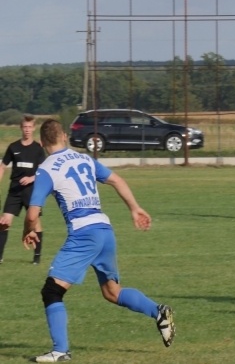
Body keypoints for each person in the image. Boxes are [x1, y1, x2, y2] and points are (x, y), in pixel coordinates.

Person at [22, 119, 175, 362]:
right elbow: (116, 180)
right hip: (105, 230)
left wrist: (28, 230)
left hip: (84, 234)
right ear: (63, 136)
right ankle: (158, 312)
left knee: (51, 291)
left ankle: (60, 351)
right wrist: (134, 209)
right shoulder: (84, 159)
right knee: (112, 292)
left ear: (41, 143)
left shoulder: (47, 168)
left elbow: (32, 213)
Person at [0, 115, 47, 265]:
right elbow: (2, 166)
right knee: (4, 222)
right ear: (21, 128)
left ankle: (37, 257)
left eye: (29, 127)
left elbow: (43, 171)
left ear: (34, 128)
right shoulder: (13, 147)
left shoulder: (38, 149)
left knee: (35, 222)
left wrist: (31, 178)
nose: (27, 130)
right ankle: (0, 257)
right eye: (24, 127)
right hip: (14, 191)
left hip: (32, 191)